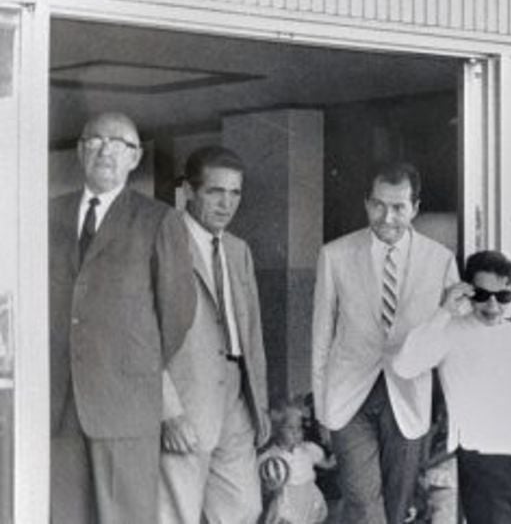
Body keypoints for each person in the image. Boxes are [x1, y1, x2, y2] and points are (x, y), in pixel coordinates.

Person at [49, 112, 197, 524]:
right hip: (58, 403)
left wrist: (131, 361)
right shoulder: (48, 215)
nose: (106, 150)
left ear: (135, 159)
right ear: (79, 152)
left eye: (120, 143)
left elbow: (177, 315)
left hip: (125, 404)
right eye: (95, 141)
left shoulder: (157, 220)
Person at [312, 161, 460, 524]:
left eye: (398, 207)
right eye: (378, 205)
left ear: (415, 208)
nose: (387, 217)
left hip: (409, 399)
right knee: (363, 503)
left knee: (395, 510)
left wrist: (454, 416)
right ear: (366, 203)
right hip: (348, 398)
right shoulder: (335, 255)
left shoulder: (440, 260)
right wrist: (321, 409)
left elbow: (451, 345)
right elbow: (320, 336)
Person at [159, 145, 271, 524]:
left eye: (235, 193)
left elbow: (252, 336)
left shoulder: (239, 251)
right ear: (189, 191)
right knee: (177, 513)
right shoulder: (162, 242)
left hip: (236, 400)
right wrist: (167, 410)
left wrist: (261, 408)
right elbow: (142, 336)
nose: (227, 204)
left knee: (243, 510)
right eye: (215, 192)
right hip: (186, 398)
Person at [392, 250, 511, 524]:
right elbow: (404, 366)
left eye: (504, 297)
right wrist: (443, 311)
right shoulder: (449, 331)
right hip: (483, 457)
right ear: (467, 291)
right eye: (483, 295)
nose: (493, 306)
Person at [259, 402, 335, 524]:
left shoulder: (308, 449)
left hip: (308, 499)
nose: (296, 432)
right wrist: (268, 487)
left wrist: (336, 451)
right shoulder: (271, 457)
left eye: (299, 428)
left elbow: (327, 464)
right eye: (290, 428)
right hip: (286, 501)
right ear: (277, 429)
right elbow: (264, 485)